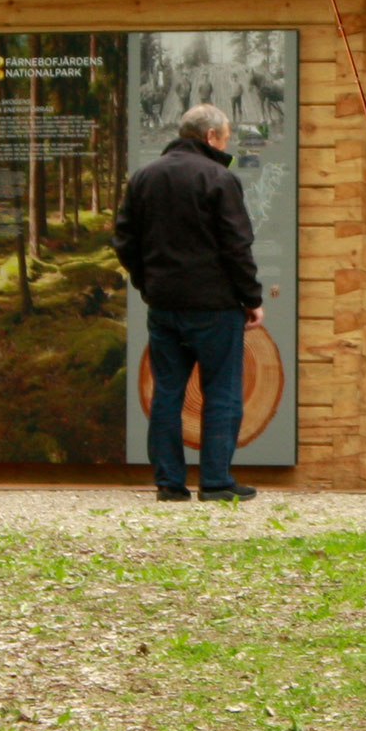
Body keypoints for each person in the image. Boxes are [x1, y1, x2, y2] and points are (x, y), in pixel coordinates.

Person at [114, 102, 264, 503]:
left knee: (167, 392)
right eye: (226, 135)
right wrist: (251, 298)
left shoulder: (144, 177)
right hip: (215, 307)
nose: (226, 141)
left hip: (163, 307)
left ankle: (169, 484)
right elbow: (237, 246)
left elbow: (124, 241)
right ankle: (216, 482)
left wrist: (149, 284)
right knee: (221, 391)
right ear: (212, 136)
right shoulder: (218, 177)